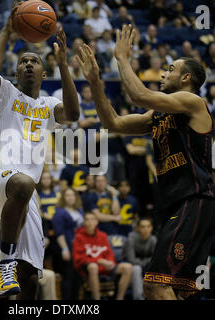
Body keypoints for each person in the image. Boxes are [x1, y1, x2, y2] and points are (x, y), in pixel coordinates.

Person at [76, 24, 215, 299]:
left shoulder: (193, 102)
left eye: (171, 69)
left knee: (154, 284)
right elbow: (112, 123)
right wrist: (95, 82)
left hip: (194, 200)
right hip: (177, 203)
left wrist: (122, 59)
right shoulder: (158, 115)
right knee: (181, 291)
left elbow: (139, 95)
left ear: (186, 77)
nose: (165, 73)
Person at [0, 4, 80, 299]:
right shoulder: (5, 93)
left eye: (35, 61)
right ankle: (4, 263)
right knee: (23, 182)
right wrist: (7, 30)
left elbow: (72, 113)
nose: (29, 64)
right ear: (16, 71)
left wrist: (64, 64)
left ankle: (16, 277)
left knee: (31, 275)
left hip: (24, 197)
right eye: (23, 61)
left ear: (44, 74)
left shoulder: (46, 106)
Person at [72, 211, 133, 300]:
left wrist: (110, 262)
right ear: (84, 222)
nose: (90, 222)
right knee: (93, 267)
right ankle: (96, 298)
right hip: (88, 269)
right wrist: (99, 261)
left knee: (127, 267)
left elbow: (109, 253)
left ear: (97, 222)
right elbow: (79, 259)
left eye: (92, 219)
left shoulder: (103, 235)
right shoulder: (78, 237)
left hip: (105, 267)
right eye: (87, 219)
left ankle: (120, 298)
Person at [52, 187, 84, 300]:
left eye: (72, 195)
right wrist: (64, 249)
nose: (70, 198)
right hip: (68, 247)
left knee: (78, 277)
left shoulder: (79, 210)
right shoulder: (59, 213)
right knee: (68, 277)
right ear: (63, 198)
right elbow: (59, 233)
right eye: (67, 195)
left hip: (80, 248)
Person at [124, 218, 157, 300]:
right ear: (138, 228)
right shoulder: (131, 239)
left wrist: (146, 263)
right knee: (136, 269)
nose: (146, 229)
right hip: (130, 267)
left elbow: (155, 259)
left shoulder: (153, 239)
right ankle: (139, 297)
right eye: (143, 227)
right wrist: (146, 262)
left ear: (151, 228)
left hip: (146, 266)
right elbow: (131, 259)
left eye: (148, 226)